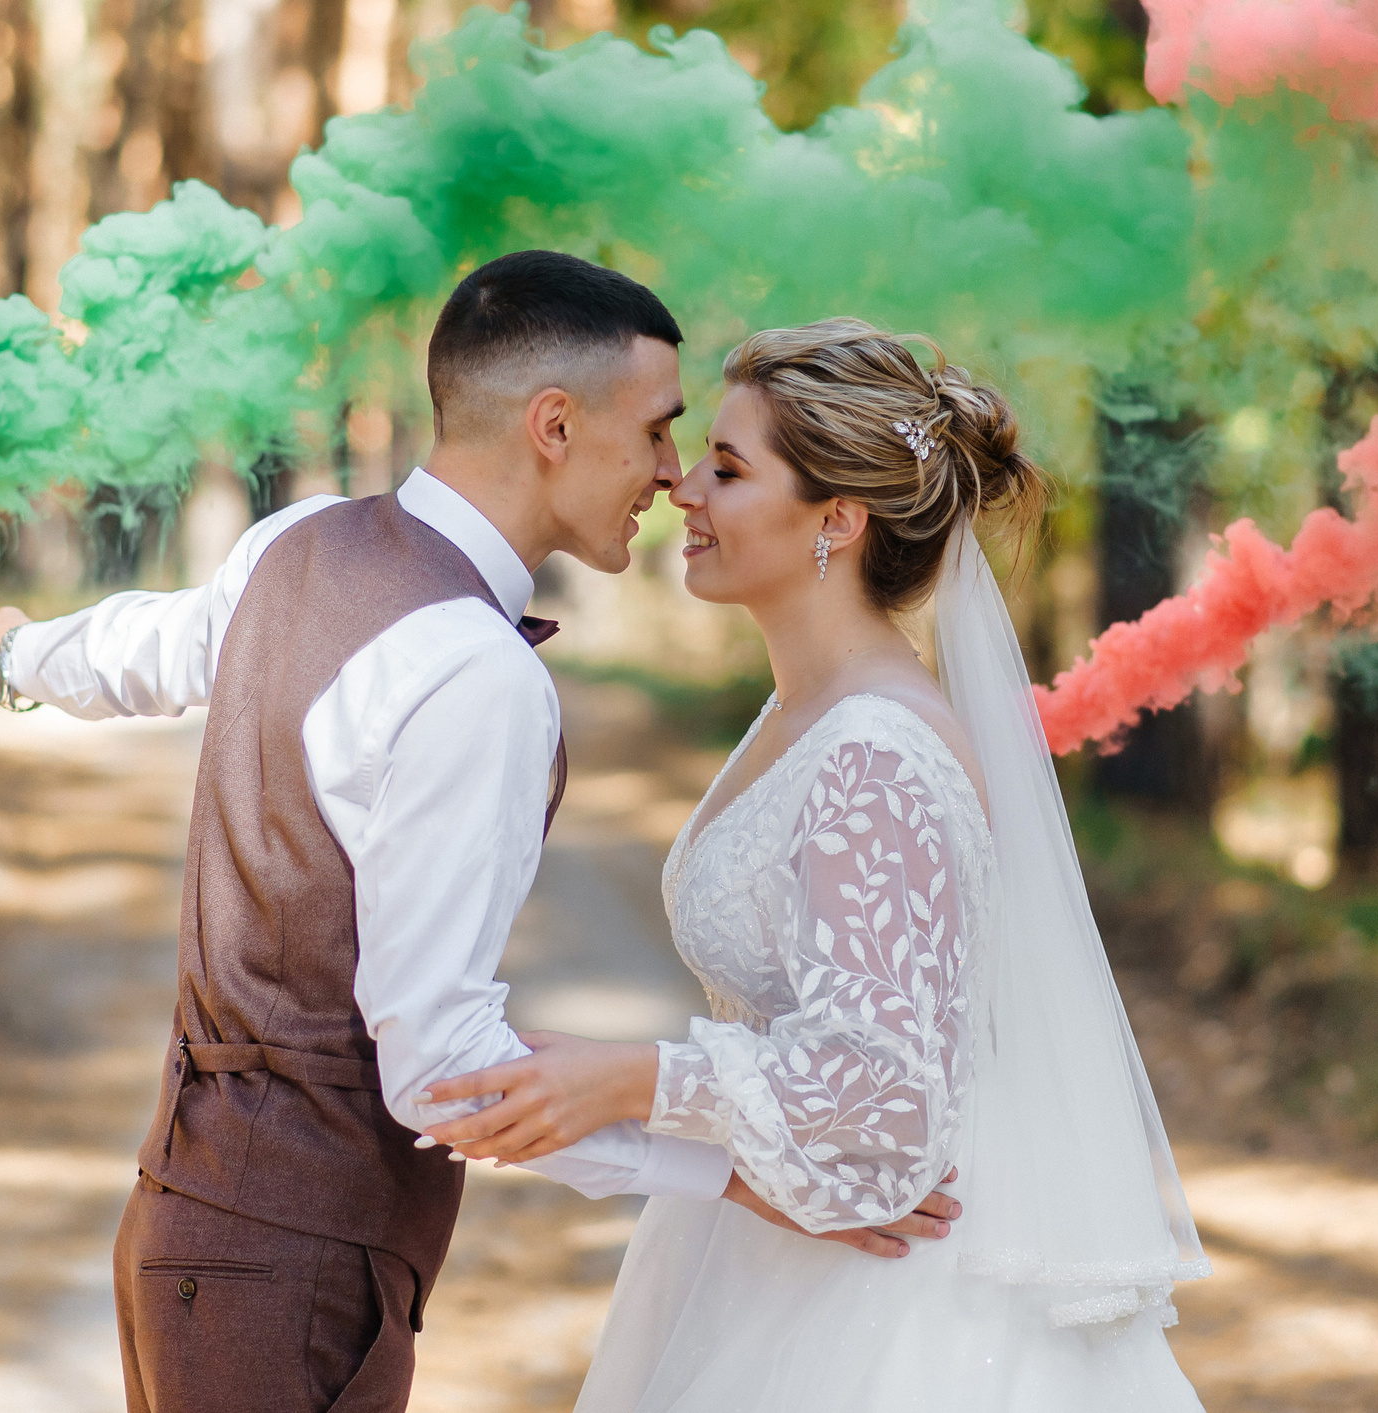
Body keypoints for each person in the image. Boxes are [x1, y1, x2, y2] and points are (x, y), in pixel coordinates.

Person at [0, 260, 959, 1413]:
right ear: (553, 424)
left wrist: (12, 655)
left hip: (177, 1225)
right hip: (292, 1269)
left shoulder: (303, 541)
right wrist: (728, 1171)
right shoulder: (477, 673)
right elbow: (437, 1067)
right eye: (664, 434)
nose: (671, 477)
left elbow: (153, 647)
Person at [417, 319, 1212, 1411]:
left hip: (889, 1312)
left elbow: (889, 1102)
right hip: (764, 1242)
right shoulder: (804, 715)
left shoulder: (876, 753)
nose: (682, 487)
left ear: (837, 519)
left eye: (729, 469)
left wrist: (631, 1077)